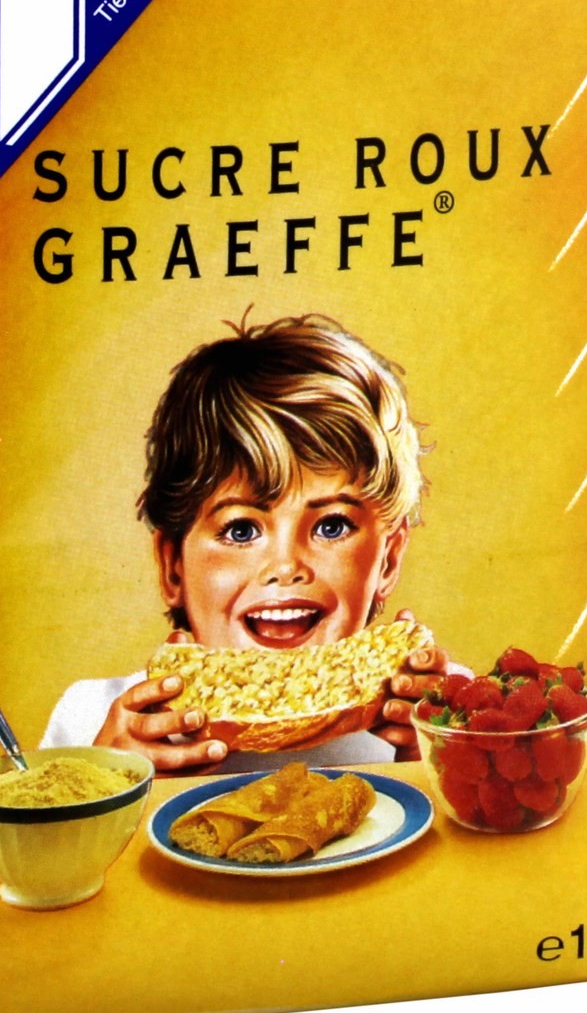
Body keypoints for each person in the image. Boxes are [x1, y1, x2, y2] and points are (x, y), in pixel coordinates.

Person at [39, 314, 460, 774]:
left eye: (331, 527)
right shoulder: (89, 722)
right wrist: (105, 787)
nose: (285, 566)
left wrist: (443, 771)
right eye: (241, 530)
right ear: (173, 567)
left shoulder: (450, 712)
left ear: (388, 560)